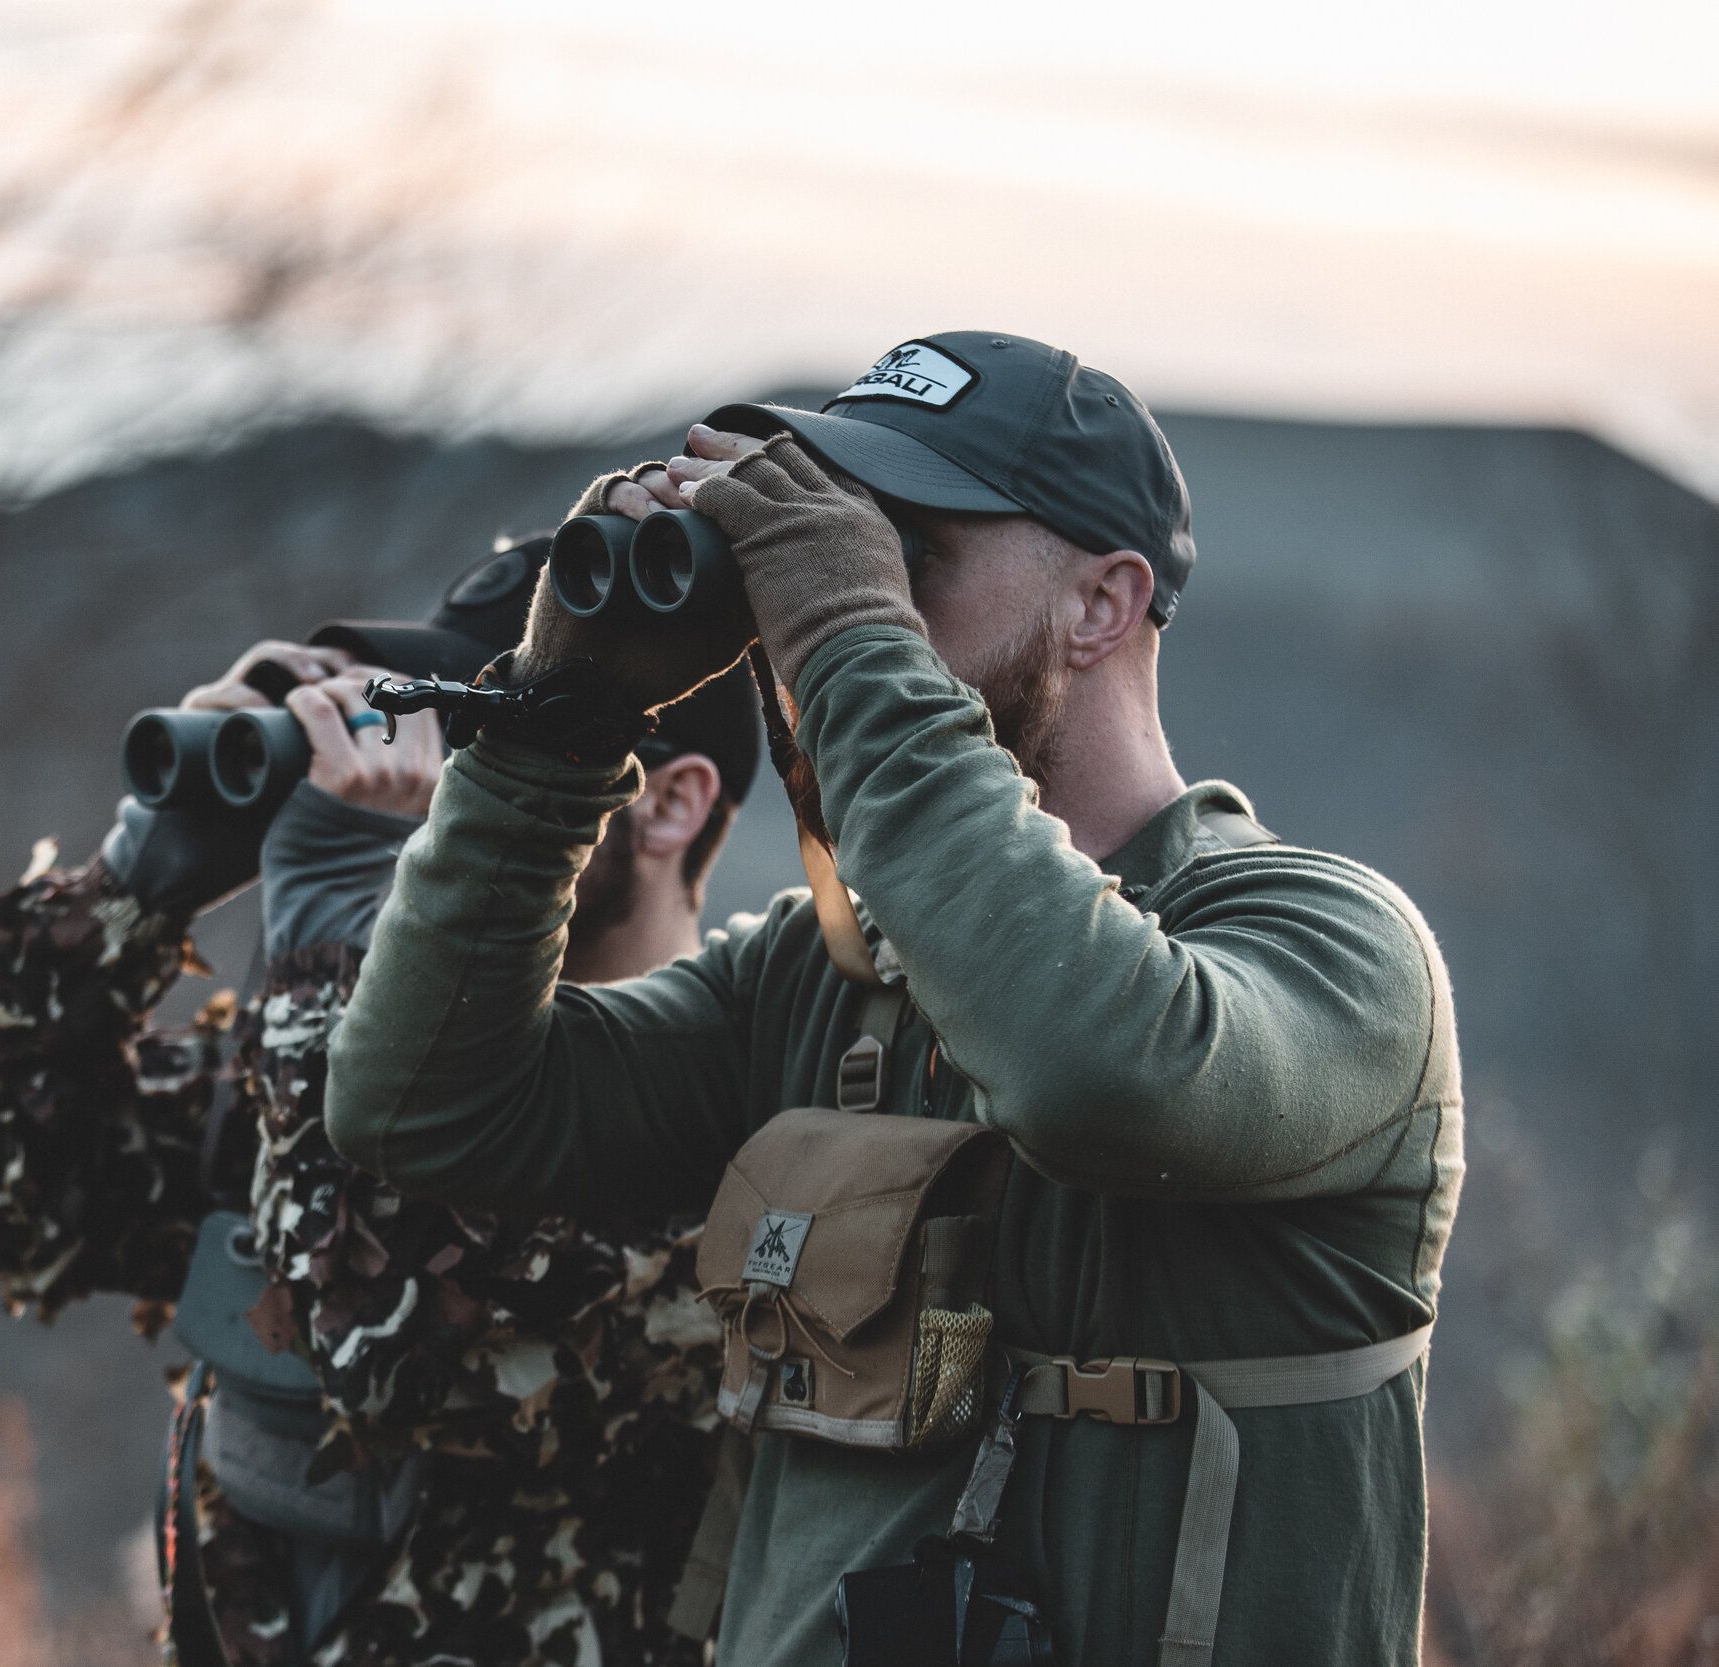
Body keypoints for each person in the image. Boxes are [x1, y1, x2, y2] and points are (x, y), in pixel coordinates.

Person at [325, 332, 1465, 1667]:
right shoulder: (819, 978)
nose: (830, 593)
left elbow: (1097, 1065)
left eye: (901, 551)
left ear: (1104, 602)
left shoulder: (1332, 948)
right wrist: (553, 735)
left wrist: (852, 632)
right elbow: (425, 1105)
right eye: (819, 546)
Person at [0, 535, 766, 1666]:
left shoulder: (731, 1124)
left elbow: (386, 1347)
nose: (445, 792)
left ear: (669, 804)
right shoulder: (285, 1062)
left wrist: (335, 919)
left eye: (484, 739)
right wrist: (140, 880)